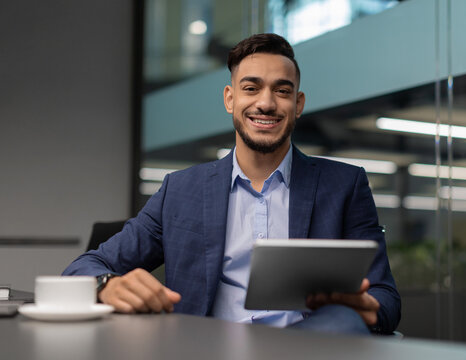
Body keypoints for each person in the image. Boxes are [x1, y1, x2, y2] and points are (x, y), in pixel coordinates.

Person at [63, 33, 400, 334]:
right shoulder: (181, 191)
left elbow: (385, 297)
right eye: (251, 88)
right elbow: (82, 268)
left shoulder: (344, 185)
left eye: (282, 91)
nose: (266, 103)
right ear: (230, 99)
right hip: (207, 350)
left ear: (298, 105)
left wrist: (367, 311)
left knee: (342, 323)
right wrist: (106, 285)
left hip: (311, 346)